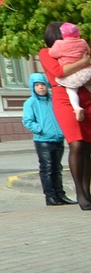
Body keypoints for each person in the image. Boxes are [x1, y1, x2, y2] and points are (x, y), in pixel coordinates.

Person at [39, 21, 91, 209]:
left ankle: (87, 190)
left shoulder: (77, 49)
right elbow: (59, 72)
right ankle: (80, 192)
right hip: (63, 97)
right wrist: (83, 62)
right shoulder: (46, 53)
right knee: (76, 143)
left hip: (85, 95)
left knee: (87, 145)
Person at [23, 72, 73, 205]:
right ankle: (50, 196)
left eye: (43, 84)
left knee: (57, 168)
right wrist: (39, 129)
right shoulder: (31, 103)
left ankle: (60, 195)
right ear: (32, 87)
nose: (41, 88)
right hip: (43, 140)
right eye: (37, 85)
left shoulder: (53, 100)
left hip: (58, 138)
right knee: (47, 167)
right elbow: (27, 120)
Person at [47, 23, 91, 121]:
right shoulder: (83, 42)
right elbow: (88, 51)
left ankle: (76, 107)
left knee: (71, 91)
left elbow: (52, 53)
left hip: (72, 75)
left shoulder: (59, 44)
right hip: (85, 70)